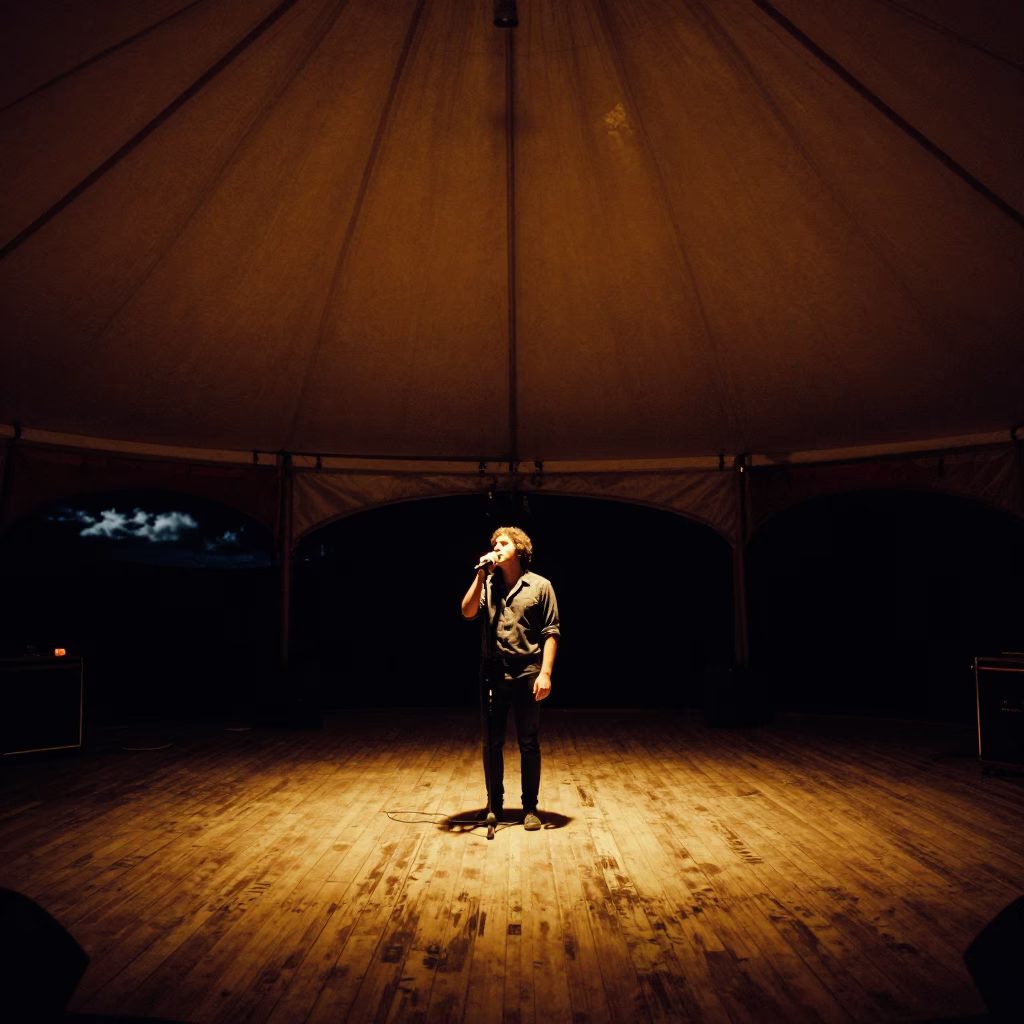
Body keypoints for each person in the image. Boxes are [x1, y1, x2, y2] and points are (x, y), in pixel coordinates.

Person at [460, 526, 560, 831]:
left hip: (528, 671)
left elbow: (551, 632)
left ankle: (530, 807)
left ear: (519, 548)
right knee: (492, 742)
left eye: (503, 543)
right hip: (492, 671)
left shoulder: (541, 586)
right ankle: (496, 805)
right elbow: (466, 612)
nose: (496, 546)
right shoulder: (488, 584)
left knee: (528, 741)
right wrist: (479, 575)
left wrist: (545, 673)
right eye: (494, 543)